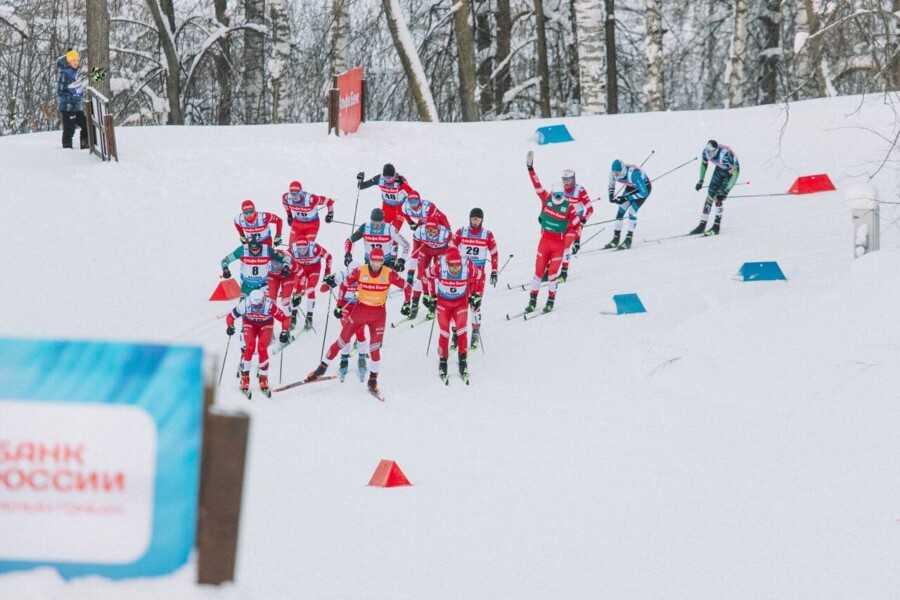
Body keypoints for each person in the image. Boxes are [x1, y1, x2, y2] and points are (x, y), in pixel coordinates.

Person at [305, 248, 411, 395]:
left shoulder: (388, 273)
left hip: (378, 315)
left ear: (382, 261)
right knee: (342, 341)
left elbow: (407, 286)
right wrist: (337, 298)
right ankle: (321, 369)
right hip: (360, 311)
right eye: (374, 261)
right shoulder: (361, 271)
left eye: (379, 261)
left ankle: (373, 380)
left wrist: (407, 303)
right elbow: (345, 283)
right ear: (369, 260)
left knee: (374, 349)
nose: (376, 264)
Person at [525, 150, 583, 314]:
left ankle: (550, 300)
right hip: (544, 241)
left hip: (558, 243)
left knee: (551, 275)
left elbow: (577, 222)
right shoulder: (547, 198)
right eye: (555, 195)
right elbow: (537, 186)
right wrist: (530, 168)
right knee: (537, 273)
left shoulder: (569, 207)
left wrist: (573, 237)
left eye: (560, 196)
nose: (557, 199)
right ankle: (532, 301)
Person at [423, 247, 483, 384]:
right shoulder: (440, 266)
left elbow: (479, 277)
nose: (455, 269)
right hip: (443, 304)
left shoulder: (468, 266)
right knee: (444, 333)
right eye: (452, 266)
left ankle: (463, 361)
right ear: (447, 263)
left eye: (457, 266)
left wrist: (475, 294)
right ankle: (443, 361)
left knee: (461, 331)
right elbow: (426, 276)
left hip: (460, 303)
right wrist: (430, 295)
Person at [226, 289, 291, 398]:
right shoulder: (245, 304)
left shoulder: (270, 305)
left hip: (266, 325)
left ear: (263, 301)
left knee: (262, 347)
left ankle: (263, 378)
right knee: (250, 347)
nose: (256, 309)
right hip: (250, 324)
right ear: (250, 301)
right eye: (254, 306)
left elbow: (285, 318)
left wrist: (285, 331)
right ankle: (245, 379)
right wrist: (230, 326)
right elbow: (230, 317)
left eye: (259, 306)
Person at [452, 207, 498, 349]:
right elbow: (451, 246)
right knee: (458, 304)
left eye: (478, 219)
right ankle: (456, 333)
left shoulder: (487, 235)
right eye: (473, 218)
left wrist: (494, 271)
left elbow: (494, 252)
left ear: (482, 219)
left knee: (475, 305)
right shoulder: (461, 232)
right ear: (470, 218)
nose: (475, 221)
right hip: (462, 275)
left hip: (478, 277)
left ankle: (475, 331)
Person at [325, 263, 369, 382]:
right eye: (351, 273)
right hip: (345, 306)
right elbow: (325, 288)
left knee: (360, 333)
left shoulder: (365, 276)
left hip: (359, 306)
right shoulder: (343, 275)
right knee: (346, 333)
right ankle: (344, 361)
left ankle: (362, 358)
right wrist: (328, 281)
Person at [405, 216, 453, 319]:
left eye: (433, 230)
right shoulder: (420, 231)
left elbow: (453, 249)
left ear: (438, 228)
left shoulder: (445, 234)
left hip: (440, 252)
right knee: (421, 275)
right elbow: (415, 251)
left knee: (435, 276)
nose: (430, 232)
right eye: (428, 230)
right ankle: (415, 303)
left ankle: (434, 300)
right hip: (425, 251)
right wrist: (410, 272)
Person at [690, 140, 740, 236]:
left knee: (718, 197)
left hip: (730, 173)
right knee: (710, 195)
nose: (709, 154)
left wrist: (726, 191)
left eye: (711, 152)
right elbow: (704, 164)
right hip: (719, 168)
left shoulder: (725, 156)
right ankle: (702, 225)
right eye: (708, 151)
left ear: (716, 151)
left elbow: (735, 173)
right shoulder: (705, 152)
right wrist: (701, 180)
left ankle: (716, 227)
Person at [604, 159, 652, 250]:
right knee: (621, 210)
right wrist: (611, 195)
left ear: (623, 170)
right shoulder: (612, 174)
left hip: (643, 188)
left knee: (632, 211)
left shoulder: (633, 175)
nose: (617, 175)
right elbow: (611, 184)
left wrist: (626, 198)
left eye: (618, 173)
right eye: (615, 173)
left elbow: (643, 193)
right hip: (631, 186)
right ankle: (616, 238)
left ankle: (628, 239)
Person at [356, 163, 419, 231]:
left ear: (394, 175)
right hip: (387, 207)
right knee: (382, 230)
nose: (388, 180)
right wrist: (360, 180)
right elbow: (362, 186)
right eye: (386, 178)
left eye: (391, 178)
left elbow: (413, 195)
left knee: (393, 232)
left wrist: (410, 221)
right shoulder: (379, 179)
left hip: (399, 208)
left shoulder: (400, 180)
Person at [344, 207, 410, 271]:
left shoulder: (390, 229)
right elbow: (349, 241)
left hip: (387, 264)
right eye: (373, 224)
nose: (376, 226)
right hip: (370, 264)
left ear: (383, 221)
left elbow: (406, 245)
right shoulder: (365, 227)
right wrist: (347, 254)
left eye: (379, 224)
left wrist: (402, 260)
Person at [287, 240, 332, 330]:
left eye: (304, 248)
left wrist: (327, 273)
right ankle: (293, 315)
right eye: (300, 249)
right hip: (301, 269)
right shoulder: (292, 249)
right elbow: (284, 257)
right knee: (297, 290)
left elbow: (329, 257)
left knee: (310, 288)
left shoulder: (315, 248)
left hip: (314, 269)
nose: (302, 251)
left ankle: (309, 316)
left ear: (308, 246)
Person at [221, 240, 288, 296]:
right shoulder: (242, 250)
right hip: (247, 286)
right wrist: (225, 269)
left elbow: (285, 259)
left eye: (257, 249)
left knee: (265, 309)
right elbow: (225, 260)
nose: (254, 251)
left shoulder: (267, 250)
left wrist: (286, 267)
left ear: (261, 247)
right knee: (243, 309)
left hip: (263, 285)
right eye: (252, 249)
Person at [558, 169, 592, 281]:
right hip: (564, 221)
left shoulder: (579, 190)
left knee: (565, 247)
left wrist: (582, 222)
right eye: (564, 180)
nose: (566, 183)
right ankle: (549, 270)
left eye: (568, 180)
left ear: (573, 179)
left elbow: (590, 209)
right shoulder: (560, 189)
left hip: (576, 222)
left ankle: (564, 273)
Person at [282, 180, 335, 245]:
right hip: (297, 224)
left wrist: (330, 214)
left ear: (301, 192)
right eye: (292, 194)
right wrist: (289, 215)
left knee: (306, 246)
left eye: (297, 194)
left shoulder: (311, 199)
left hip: (312, 225)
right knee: (292, 247)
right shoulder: (286, 198)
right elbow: (285, 205)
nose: (294, 197)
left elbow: (329, 201)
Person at [57, 49, 87, 150]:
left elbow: (83, 83)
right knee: (69, 129)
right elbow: (61, 91)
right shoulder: (64, 73)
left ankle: (85, 145)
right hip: (68, 108)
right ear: (69, 62)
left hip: (77, 107)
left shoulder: (77, 72)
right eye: (74, 61)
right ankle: (67, 148)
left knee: (86, 125)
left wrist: (102, 74)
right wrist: (72, 95)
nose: (76, 63)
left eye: (77, 61)